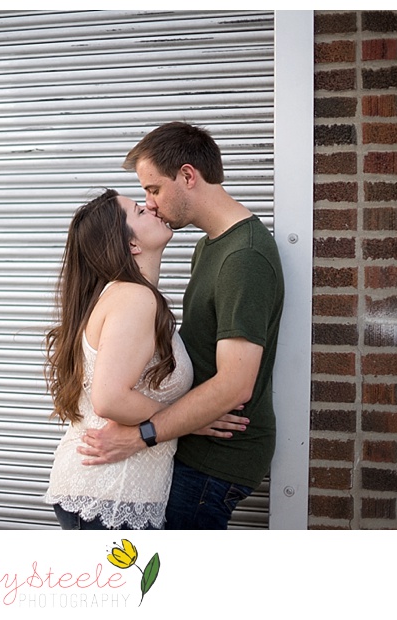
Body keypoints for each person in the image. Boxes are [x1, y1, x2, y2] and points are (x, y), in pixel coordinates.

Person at [79, 122, 285, 530]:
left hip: (215, 460)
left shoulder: (243, 257)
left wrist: (141, 435)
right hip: (192, 446)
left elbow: (235, 384)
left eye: (153, 189)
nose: (150, 204)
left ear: (188, 176)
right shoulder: (210, 245)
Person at [42, 189, 239, 530]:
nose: (151, 206)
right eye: (138, 210)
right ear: (132, 244)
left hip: (113, 492)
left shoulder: (129, 296)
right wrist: (189, 419)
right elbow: (110, 398)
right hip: (107, 494)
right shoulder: (134, 297)